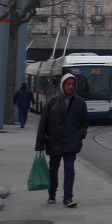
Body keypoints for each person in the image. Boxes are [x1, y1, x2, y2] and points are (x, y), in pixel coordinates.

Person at [34, 73, 88, 207]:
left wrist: (80, 134)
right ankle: (52, 194)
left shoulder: (80, 103)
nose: (70, 86)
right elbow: (43, 124)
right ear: (62, 85)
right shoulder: (51, 102)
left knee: (69, 169)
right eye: (68, 84)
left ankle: (68, 198)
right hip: (54, 142)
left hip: (71, 143)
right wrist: (40, 144)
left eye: (72, 84)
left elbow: (84, 122)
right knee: (53, 169)